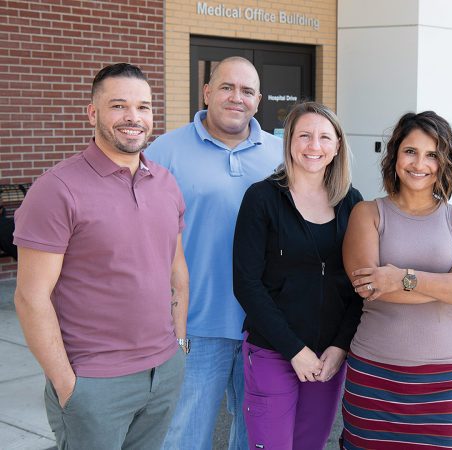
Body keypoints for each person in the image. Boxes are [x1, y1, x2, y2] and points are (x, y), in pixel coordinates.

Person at [13, 63, 188, 450]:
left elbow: (176, 272)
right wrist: (66, 384)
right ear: (93, 113)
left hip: (163, 373)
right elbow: (30, 297)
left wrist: (178, 350)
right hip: (95, 382)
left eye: (143, 107)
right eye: (118, 106)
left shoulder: (165, 182)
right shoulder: (57, 189)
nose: (133, 118)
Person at [147, 56, 282, 450]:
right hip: (194, 326)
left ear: (258, 100)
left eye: (246, 91)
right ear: (207, 93)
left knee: (255, 437)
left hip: (264, 328)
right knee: (184, 437)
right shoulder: (165, 151)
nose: (235, 97)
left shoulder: (281, 154)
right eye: (226, 87)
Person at [341, 111, 452, 449]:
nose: (419, 163)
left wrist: (400, 277)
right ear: (395, 156)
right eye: (410, 151)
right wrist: (446, 284)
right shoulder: (367, 213)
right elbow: (369, 287)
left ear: (445, 162)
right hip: (375, 375)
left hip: (445, 381)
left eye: (432, 154)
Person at [232, 101, 363, 450]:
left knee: (310, 445)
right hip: (273, 351)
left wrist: (340, 346)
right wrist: (294, 349)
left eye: (324, 137)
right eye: (304, 135)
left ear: (337, 145)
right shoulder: (261, 199)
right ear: (289, 141)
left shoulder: (352, 203)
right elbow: (246, 284)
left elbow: (359, 286)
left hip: (327, 357)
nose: (314, 146)